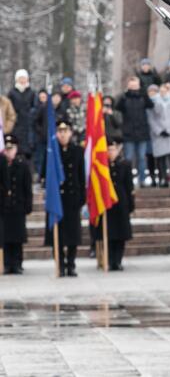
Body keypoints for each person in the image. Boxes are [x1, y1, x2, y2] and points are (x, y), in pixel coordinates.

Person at [45, 119, 85, 277]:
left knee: (73, 234)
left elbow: (81, 176)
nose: (62, 135)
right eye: (60, 132)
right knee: (58, 234)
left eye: (65, 131)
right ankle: (60, 263)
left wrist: (82, 196)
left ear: (70, 133)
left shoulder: (77, 151)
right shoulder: (52, 151)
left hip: (72, 198)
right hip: (57, 199)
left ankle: (71, 264)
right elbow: (45, 176)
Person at [116, 77, 154, 186]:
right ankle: (128, 180)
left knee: (142, 157)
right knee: (128, 158)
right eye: (131, 86)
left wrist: (143, 92)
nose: (133, 88)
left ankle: (142, 179)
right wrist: (125, 94)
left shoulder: (143, 97)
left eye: (135, 85)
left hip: (142, 133)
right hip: (129, 134)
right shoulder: (125, 97)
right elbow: (117, 107)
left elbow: (151, 105)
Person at [2, 135, 31, 275]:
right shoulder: (2, 165)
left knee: (18, 238)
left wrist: (28, 205)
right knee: (6, 237)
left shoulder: (22, 165)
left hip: (18, 206)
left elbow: (27, 188)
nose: (9, 152)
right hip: (5, 208)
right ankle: (7, 264)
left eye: (11, 148)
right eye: (7, 149)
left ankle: (18, 263)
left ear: (16, 149)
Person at [104, 138, 134, 271]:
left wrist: (131, 204)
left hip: (121, 203)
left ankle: (118, 260)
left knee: (121, 235)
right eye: (109, 149)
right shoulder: (103, 166)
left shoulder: (125, 164)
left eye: (113, 149)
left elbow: (129, 187)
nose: (111, 152)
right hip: (108, 204)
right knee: (110, 234)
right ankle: (110, 261)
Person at [147, 82, 170, 187]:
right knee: (160, 158)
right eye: (160, 91)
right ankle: (163, 179)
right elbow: (151, 118)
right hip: (158, 134)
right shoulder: (153, 103)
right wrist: (159, 131)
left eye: (164, 91)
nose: (162, 93)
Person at [8, 69, 35, 159]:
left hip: (28, 125)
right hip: (16, 124)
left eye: (24, 78)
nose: (22, 80)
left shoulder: (31, 93)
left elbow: (34, 107)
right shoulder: (12, 93)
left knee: (28, 152)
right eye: (20, 78)